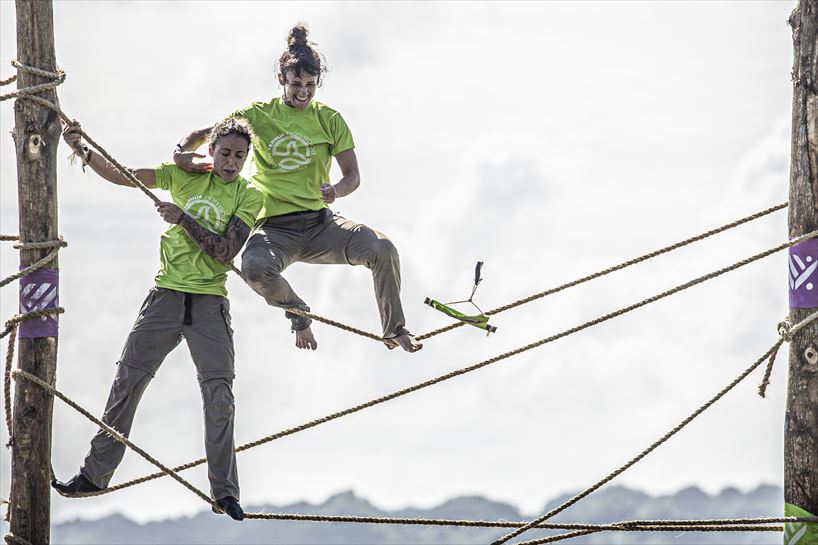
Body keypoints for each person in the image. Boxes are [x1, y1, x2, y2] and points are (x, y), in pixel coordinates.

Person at [51, 118, 263, 522]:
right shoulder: (182, 176)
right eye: (225, 153)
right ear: (213, 151)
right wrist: (81, 149)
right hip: (165, 296)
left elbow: (225, 252)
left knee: (220, 398)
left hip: (209, 303)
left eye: (239, 156)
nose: (232, 162)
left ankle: (225, 493)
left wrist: (183, 218)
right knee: (128, 382)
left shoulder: (248, 196)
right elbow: (123, 175)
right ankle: (95, 476)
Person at [173, 24, 422, 354]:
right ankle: (299, 315)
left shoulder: (329, 120)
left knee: (383, 249)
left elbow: (353, 176)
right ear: (281, 79)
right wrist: (180, 152)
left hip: (321, 224)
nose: (302, 92)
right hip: (274, 229)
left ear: (317, 82)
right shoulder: (256, 116)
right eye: (295, 84)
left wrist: (336, 190)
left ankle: (395, 329)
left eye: (309, 85)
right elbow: (205, 133)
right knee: (255, 269)